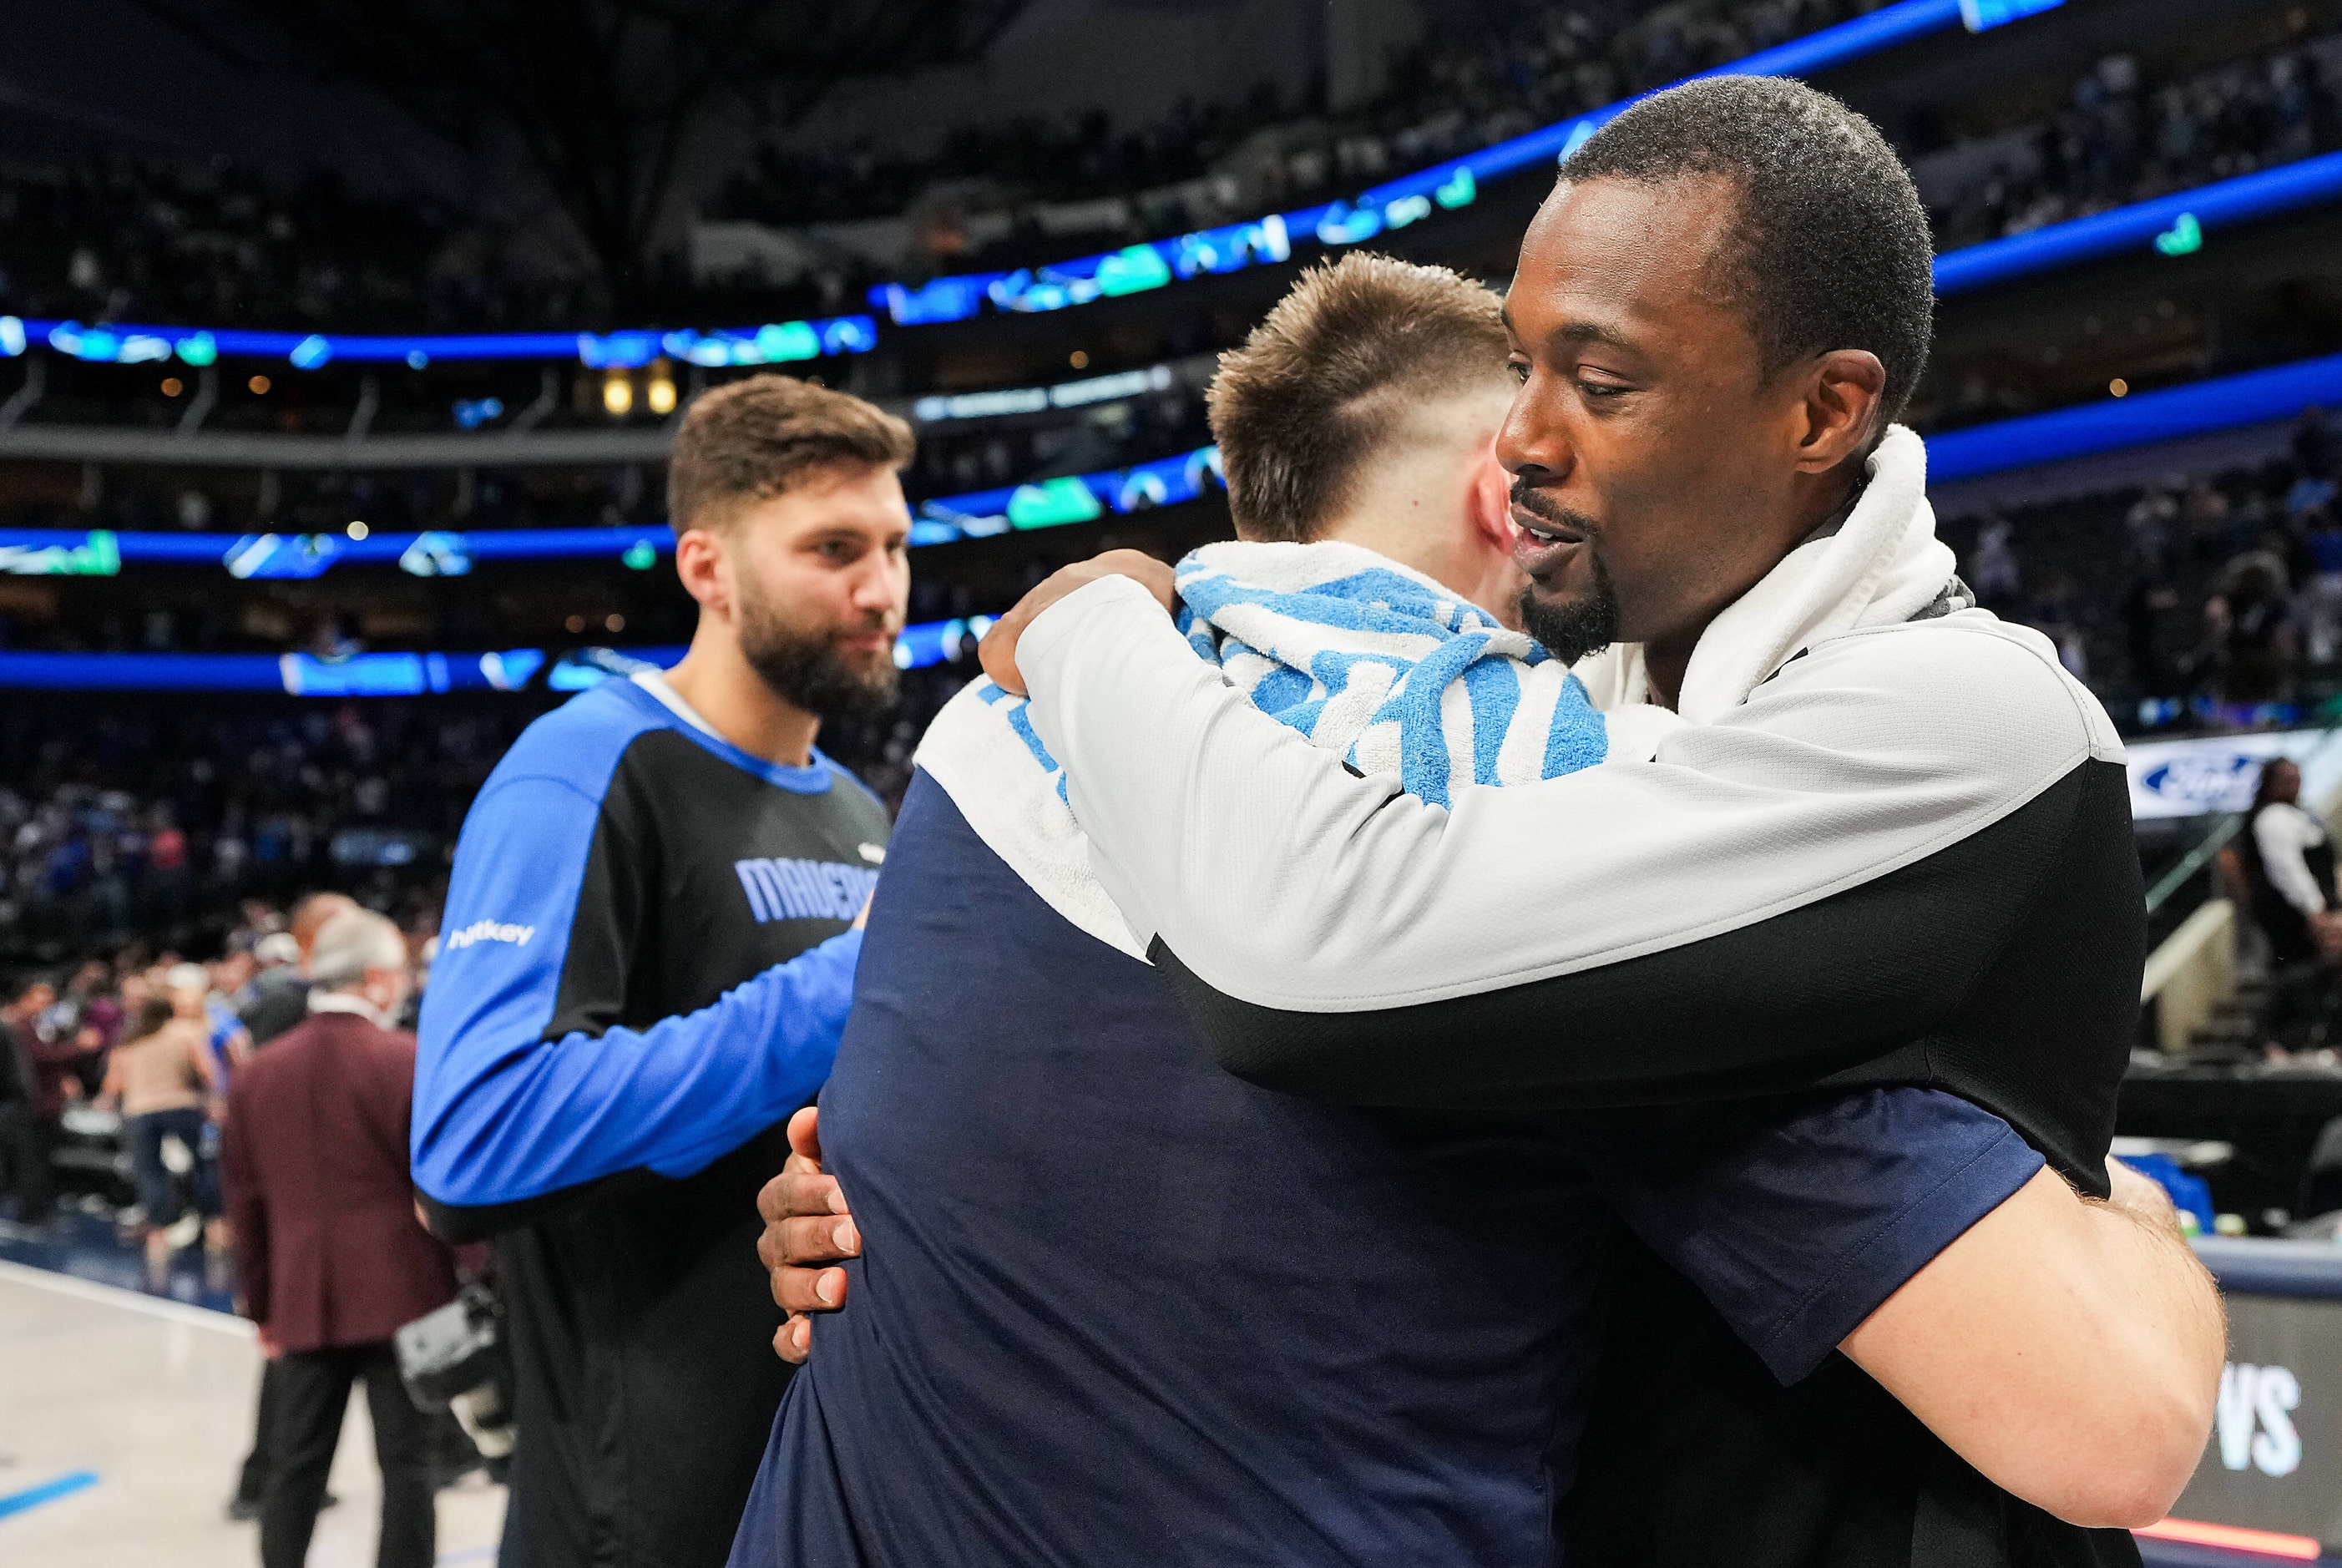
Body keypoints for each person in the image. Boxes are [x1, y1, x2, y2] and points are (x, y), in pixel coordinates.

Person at [791, 77, 2219, 1567]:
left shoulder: (1954, 711)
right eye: (1523, 367)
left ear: (1824, 408)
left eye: (1597, 382)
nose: (1528, 438)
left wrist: (1098, 627)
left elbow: (1316, 952)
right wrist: (904, 1191)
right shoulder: (1593, 678)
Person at [412, 372, 911, 1568]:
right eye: (833, 548)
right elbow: (471, 1140)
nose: (881, 588)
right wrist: (850, 987)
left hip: (823, 1486)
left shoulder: (854, 808)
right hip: (641, 1518)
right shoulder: (587, 762)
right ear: (707, 567)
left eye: (896, 545)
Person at [220, 908, 461, 1568]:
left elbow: (246, 1205)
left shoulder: (256, 1074)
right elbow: (445, 1189)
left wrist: (261, 1306)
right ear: (380, 979)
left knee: (294, 1467)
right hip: (407, 1296)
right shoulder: (406, 1061)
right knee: (409, 1468)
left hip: (302, 1298)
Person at [227, 893, 357, 1524]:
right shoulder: (288, 1000)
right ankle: (262, 1479)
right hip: (299, 1207)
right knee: (290, 1363)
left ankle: (268, 1477)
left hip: (321, 1203)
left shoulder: (303, 997)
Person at [100, 994, 219, 1267]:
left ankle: (158, 1231)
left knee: (150, 1172)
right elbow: (207, 1071)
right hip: (181, 1106)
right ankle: (214, 1225)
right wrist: (212, 1099)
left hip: (140, 1110)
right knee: (201, 1166)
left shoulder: (129, 1041)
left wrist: (107, 1100)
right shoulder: (184, 1033)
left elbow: (114, 1083)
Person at [2238, 756, 2341, 1048]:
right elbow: (2286, 869)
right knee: (2297, 975)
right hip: (2292, 916)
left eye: (2297, 778)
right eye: (2286, 779)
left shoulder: (2300, 815)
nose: (2294, 785)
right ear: (2270, 783)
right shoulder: (2272, 818)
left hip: (2308, 910)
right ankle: (2281, 1040)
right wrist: (2314, 910)